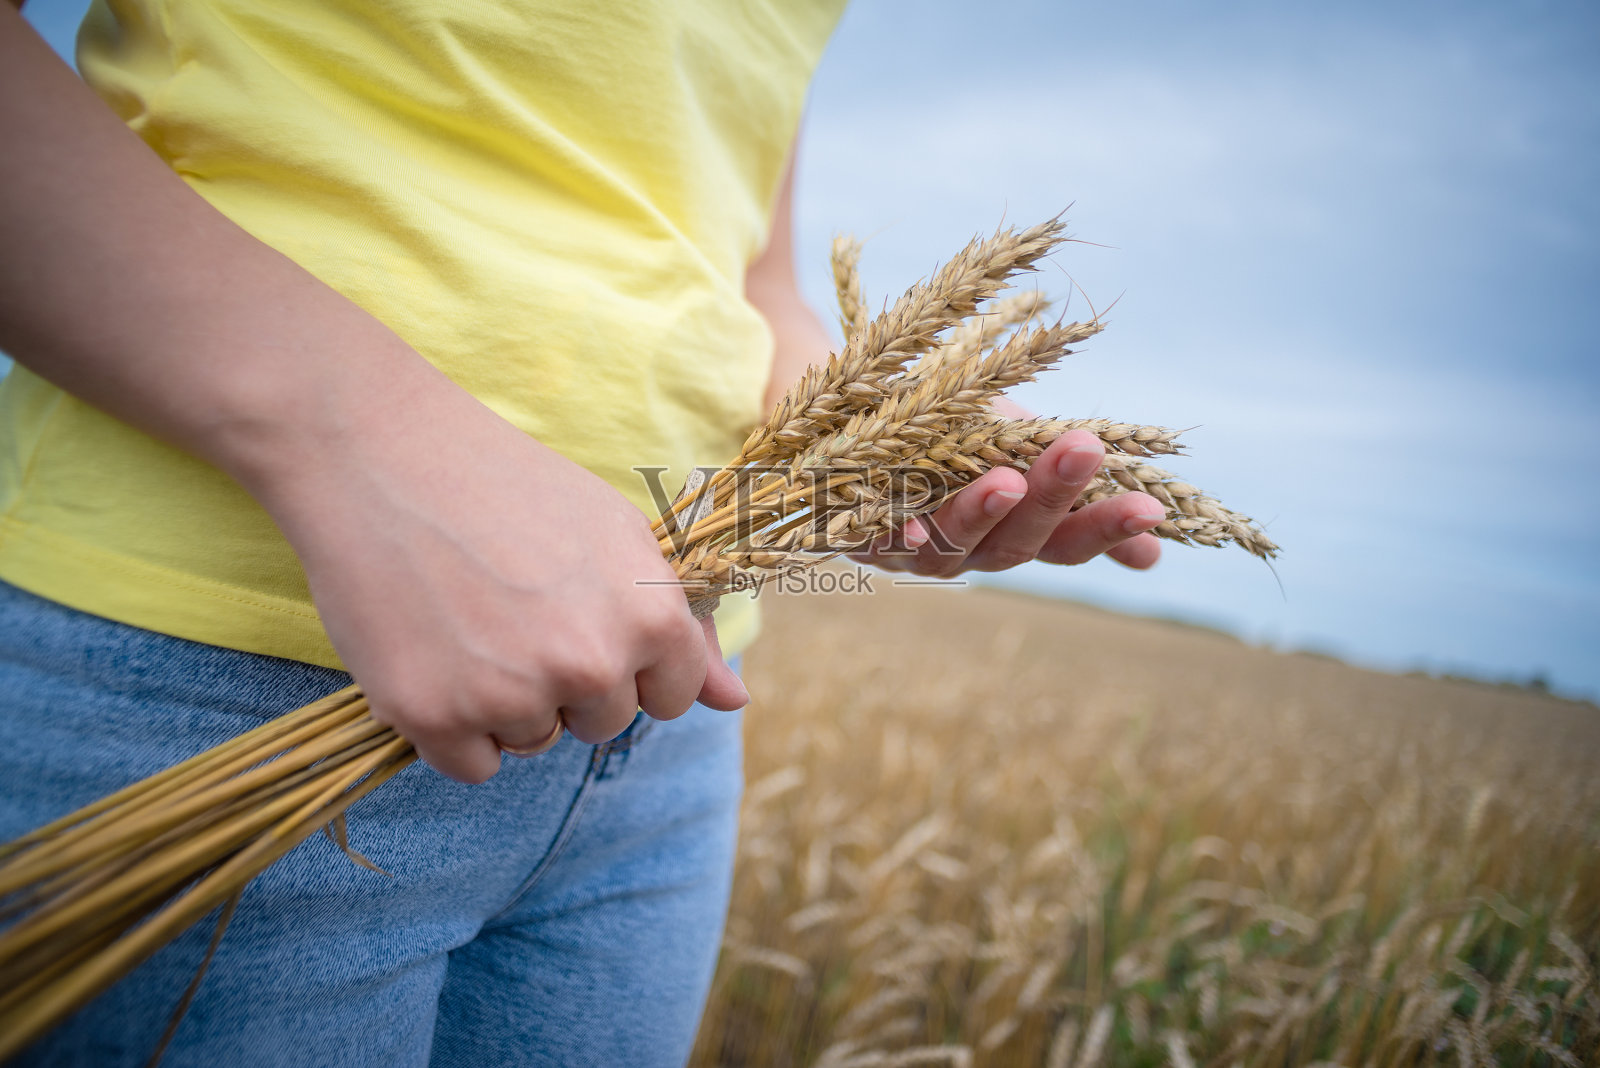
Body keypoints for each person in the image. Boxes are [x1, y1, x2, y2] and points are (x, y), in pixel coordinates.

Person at [0, 1, 1166, 1064]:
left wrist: (890, 444)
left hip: (665, 728)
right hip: (203, 676)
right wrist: (355, 439)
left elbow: (746, 282)